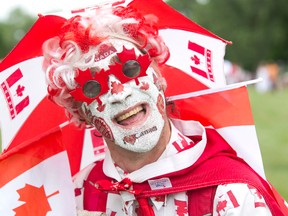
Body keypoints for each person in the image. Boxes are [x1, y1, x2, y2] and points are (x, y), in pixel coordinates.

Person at [42, 4, 287, 216]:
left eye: (130, 69)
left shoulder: (230, 194)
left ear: (158, 77)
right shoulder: (79, 193)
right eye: (93, 87)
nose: (120, 93)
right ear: (83, 113)